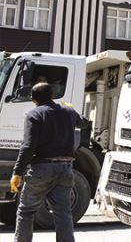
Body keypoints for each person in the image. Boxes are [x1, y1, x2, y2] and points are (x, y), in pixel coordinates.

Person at [10, 82, 80, 242]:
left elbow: (27, 147)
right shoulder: (68, 112)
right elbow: (83, 122)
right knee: (63, 212)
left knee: (26, 211)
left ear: (33, 99)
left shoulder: (34, 115)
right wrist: (70, 108)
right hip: (66, 169)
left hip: (42, 169)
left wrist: (17, 172)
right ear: (53, 96)